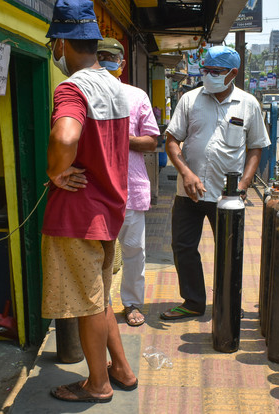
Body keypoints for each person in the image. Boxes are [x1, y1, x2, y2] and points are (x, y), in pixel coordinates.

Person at [41, 0, 136, 403]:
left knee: (88, 305)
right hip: (111, 210)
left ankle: (97, 384)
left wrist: (54, 172)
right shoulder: (115, 85)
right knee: (101, 297)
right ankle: (123, 371)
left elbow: (65, 137)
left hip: (79, 214)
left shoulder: (72, 87)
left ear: (61, 43)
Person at [160, 46, 270, 320]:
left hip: (227, 196)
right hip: (189, 193)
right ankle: (193, 301)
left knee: (228, 251)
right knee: (183, 247)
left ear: (233, 73)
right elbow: (172, 140)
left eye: (216, 72)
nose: (208, 76)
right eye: (206, 70)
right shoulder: (189, 99)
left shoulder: (248, 104)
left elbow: (256, 147)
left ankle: (229, 302)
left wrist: (244, 184)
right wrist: (185, 172)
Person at [97, 37, 160, 327]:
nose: (108, 62)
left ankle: (132, 303)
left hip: (131, 188)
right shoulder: (84, 93)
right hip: (96, 189)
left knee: (134, 250)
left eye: (113, 58)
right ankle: (101, 304)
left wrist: (123, 138)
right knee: (98, 253)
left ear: (122, 63)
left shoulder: (137, 96)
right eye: (102, 57)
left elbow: (151, 141)